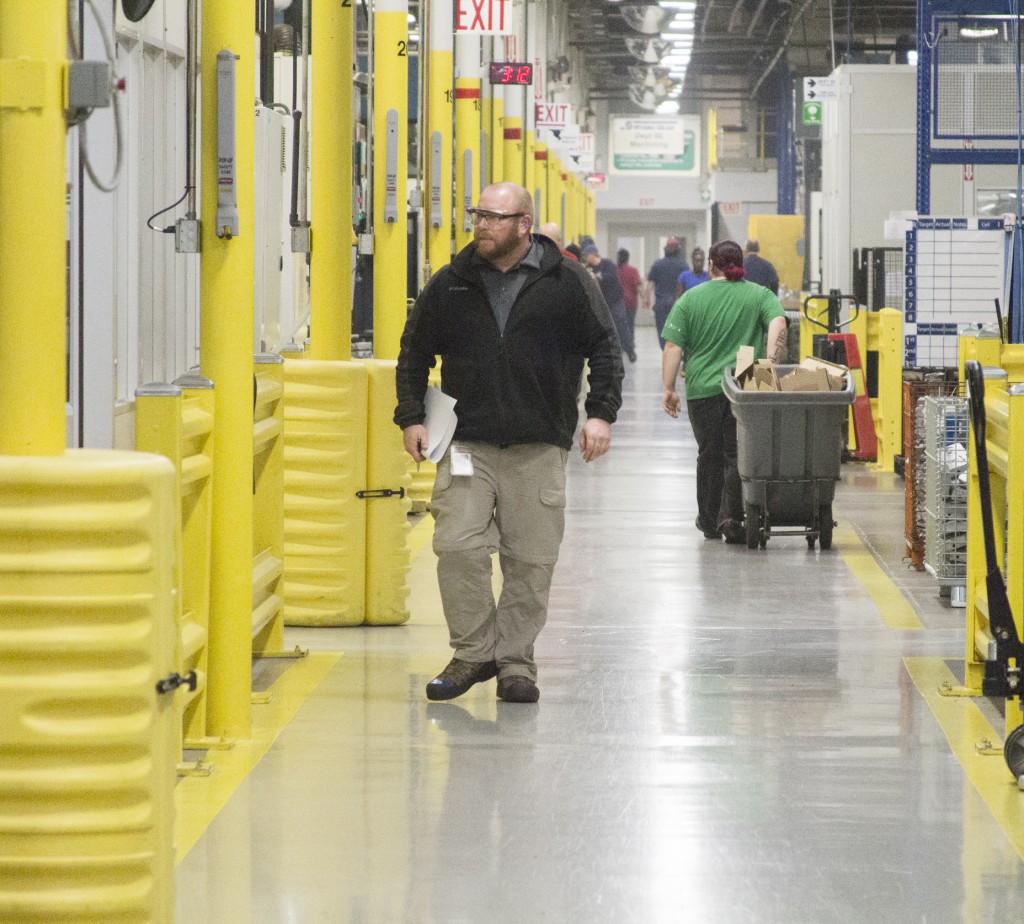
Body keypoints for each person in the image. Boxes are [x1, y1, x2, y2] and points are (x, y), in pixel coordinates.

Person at [394, 182, 624, 704]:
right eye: (478, 215)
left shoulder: (567, 281)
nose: (481, 226)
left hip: (538, 444)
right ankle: (473, 654)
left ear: (524, 224)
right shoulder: (452, 284)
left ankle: (516, 663)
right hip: (466, 441)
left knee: (530, 559)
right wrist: (410, 415)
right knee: (456, 547)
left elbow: (605, 350)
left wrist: (600, 415)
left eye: (495, 218)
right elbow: (414, 350)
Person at [660, 240, 787, 544]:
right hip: (749, 382)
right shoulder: (759, 294)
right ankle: (739, 517)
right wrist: (770, 360)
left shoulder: (691, 299)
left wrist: (668, 389)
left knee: (709, 454)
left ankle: (709, 521)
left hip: (703, 387)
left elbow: (673, 346)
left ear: (710, 266)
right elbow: (779, 321)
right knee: (740, 454)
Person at [582, 243, 635, 363]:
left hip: (616, 301)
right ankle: (613, 352)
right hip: (603, 303)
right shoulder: (589, 269)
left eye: (586, 255)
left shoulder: (607, 264)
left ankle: (629, 350)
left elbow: (611, 277)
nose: (585, 258)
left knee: (622, 326)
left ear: (592, 254)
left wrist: (597, 276)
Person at [645, 236, 688, 350]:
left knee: (662, 331)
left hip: (661, 304)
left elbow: (650, 284)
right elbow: (686, 287)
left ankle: (666, 351)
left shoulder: (657, 264)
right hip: (678, 304)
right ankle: (676, 353)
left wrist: (646, 299)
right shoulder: (683, 265)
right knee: (677, 331)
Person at [616, 248, 645, 359]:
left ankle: (622, 346)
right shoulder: (633, 271)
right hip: (631, 303)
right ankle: (630, 345)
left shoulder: (615, 270)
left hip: (618, 303)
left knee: (619, 325)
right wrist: (644, 299)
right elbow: (638, 286)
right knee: (629, 324)